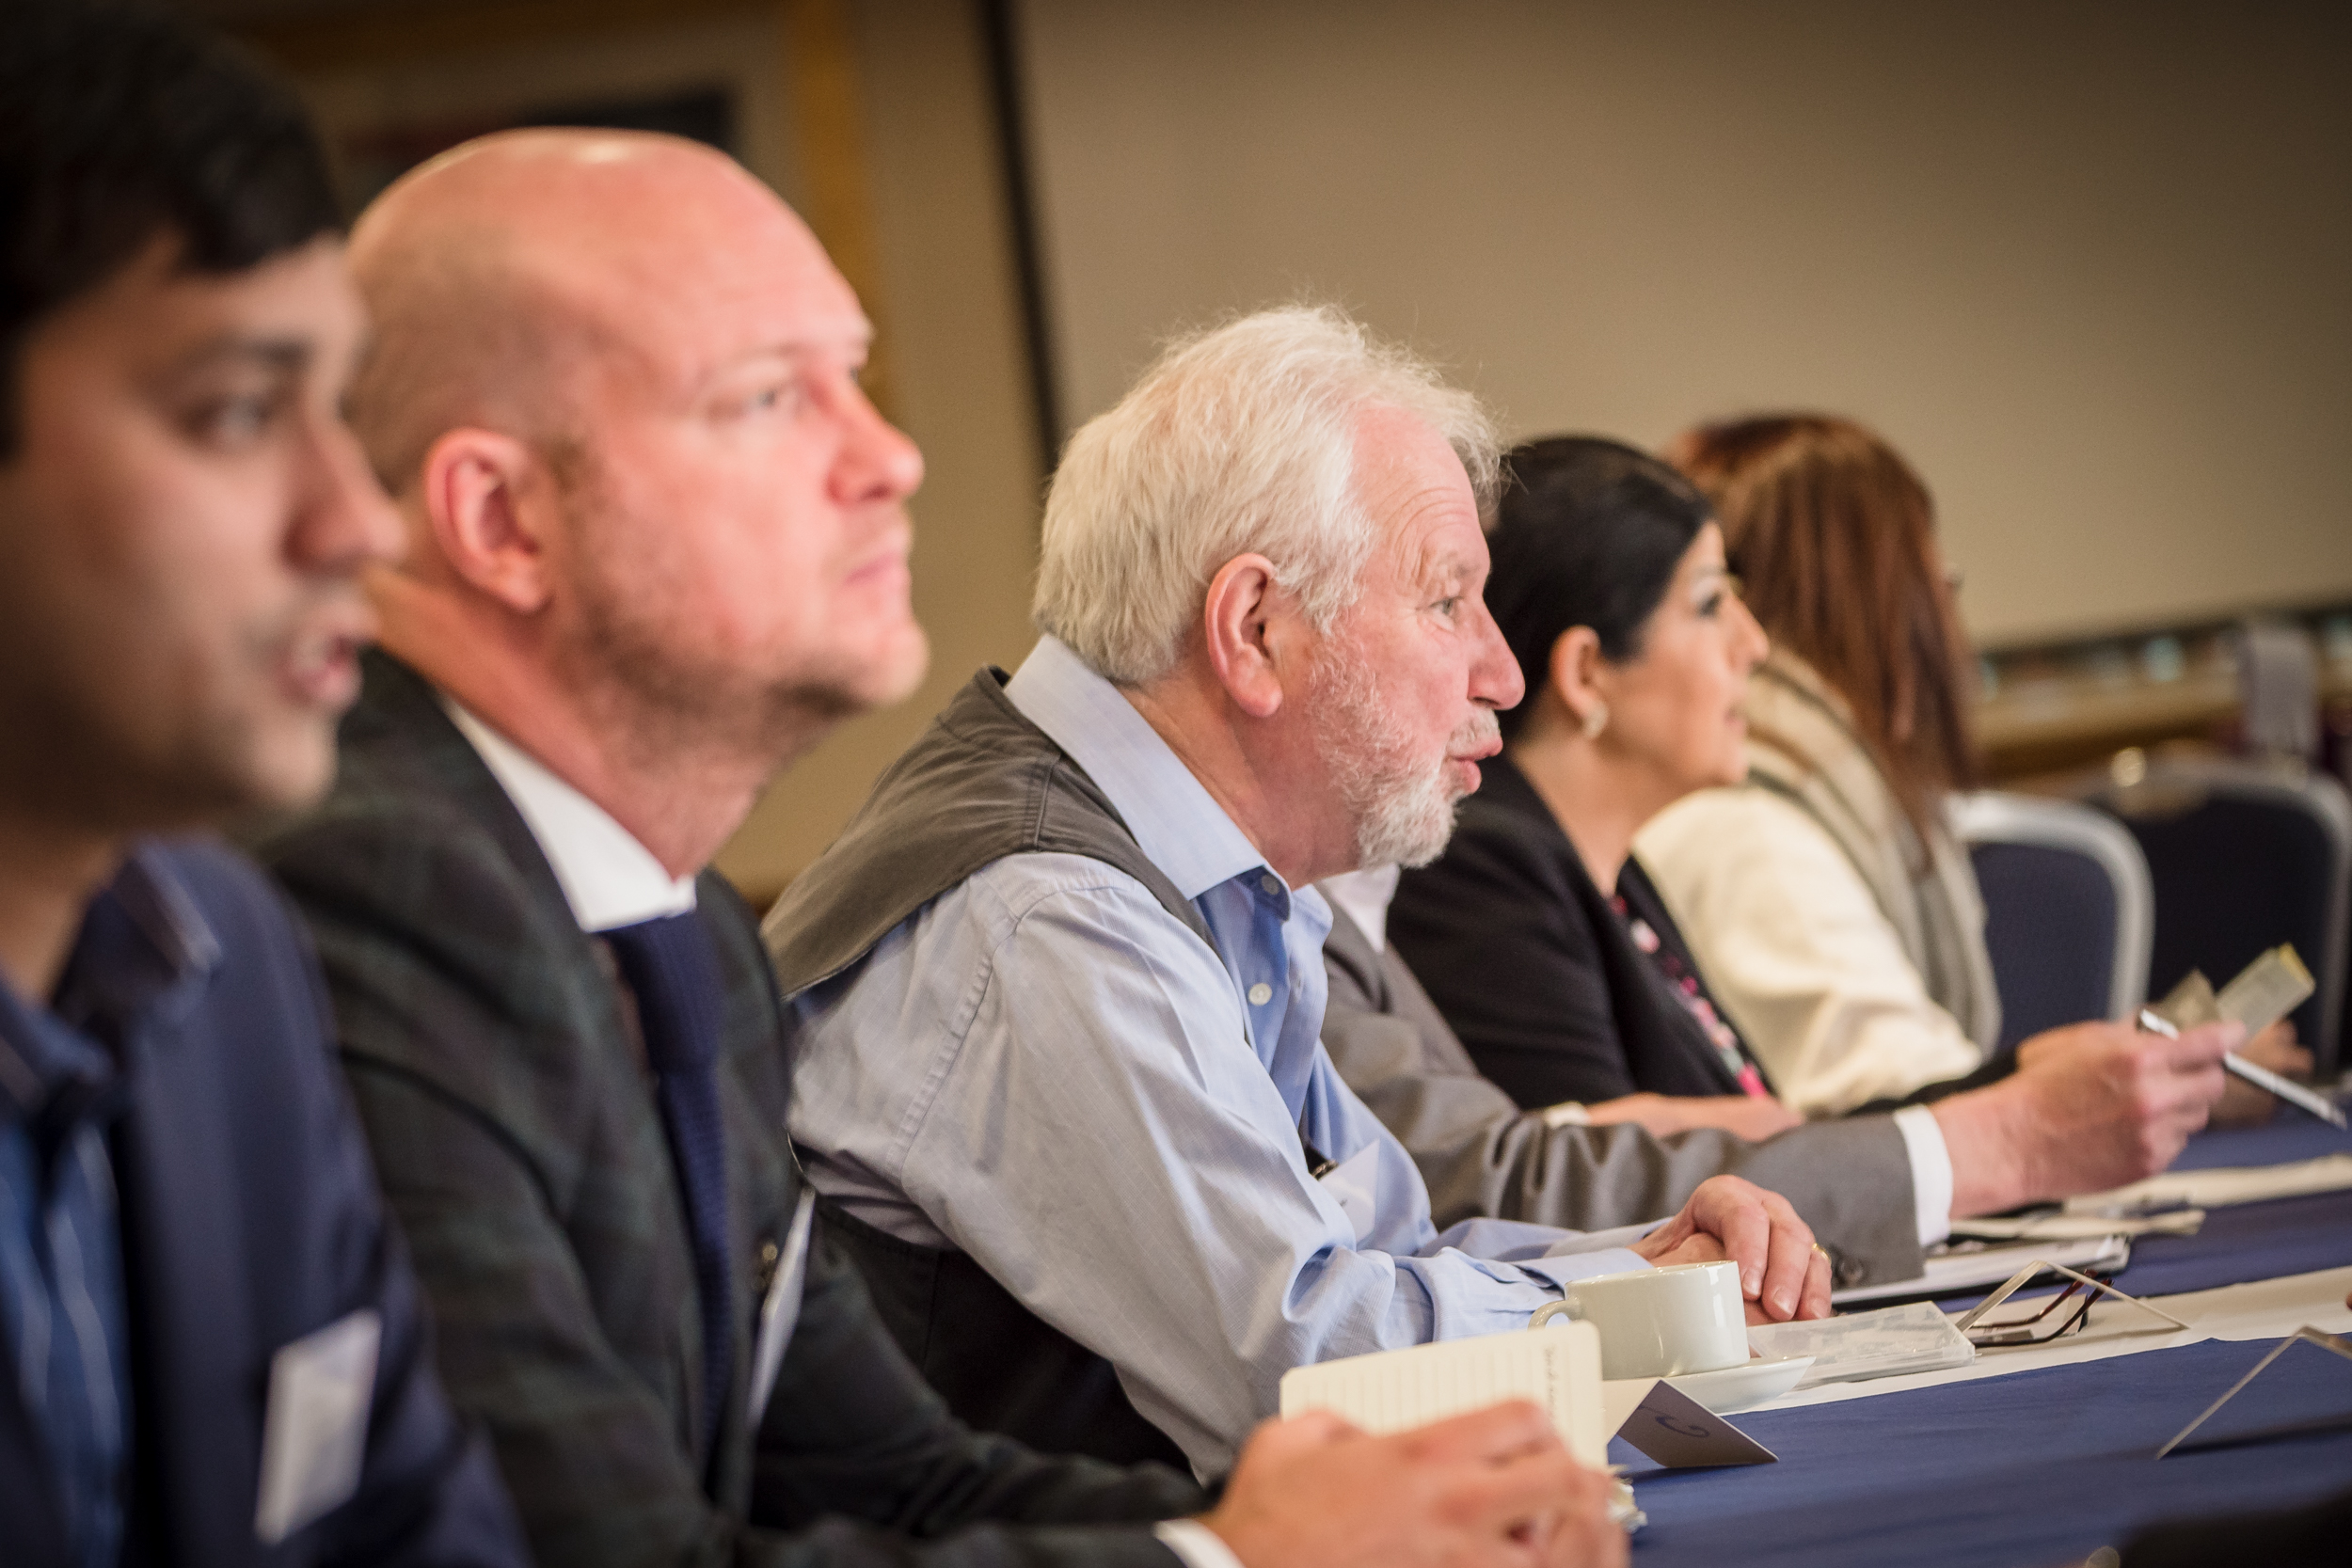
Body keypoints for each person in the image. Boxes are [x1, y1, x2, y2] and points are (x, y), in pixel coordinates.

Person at [247, 127, 1626, 1568]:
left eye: (855, 377)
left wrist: (1287, 1531)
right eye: (770, 395)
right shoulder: (380, 901)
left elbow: (892, 1476)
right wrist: (1235, 1557)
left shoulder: (679, 916)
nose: (890, 454)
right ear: (500, 519)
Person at [766, 309, 1833, 1481]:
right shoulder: (1051, 914)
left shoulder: (1184, 870)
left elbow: (1383, 1244)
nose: (1500, 671)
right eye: (1447, 602)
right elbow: (1316, 1371)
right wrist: (1634, 1302)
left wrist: (1649, 1263)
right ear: (1255, 629)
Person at [0, 5, 530, 1563]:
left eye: (338, 411)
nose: (357, 521)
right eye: (237, 410)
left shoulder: (229, 958)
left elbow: (410, 1523)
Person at [1388, 436, 2236, 1247]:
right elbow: (1618, 1200)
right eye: (1711, 604)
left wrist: (2022, 1076)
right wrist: (2017, 1114)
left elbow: (1767, 1130)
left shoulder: (1609, 870)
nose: (1754, 644)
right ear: (1587, 673)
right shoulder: (1490, 866)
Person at [1641, 414, 2306, 1118]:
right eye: (1936, 581)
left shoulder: (1790, 796)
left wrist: (2143, 1062)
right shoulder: (1743, 828)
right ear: (1876, 603)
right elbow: (1905, 1105)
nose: (1948, 614)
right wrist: (2158, 1080)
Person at [1318, 868, 1931, 1288]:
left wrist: (1641, 1257)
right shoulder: (1492, 862)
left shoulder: (1620, 871)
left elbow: (1409, 1231)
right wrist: (1637, 1271)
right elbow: (1478, 1180)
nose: (1490, 723)